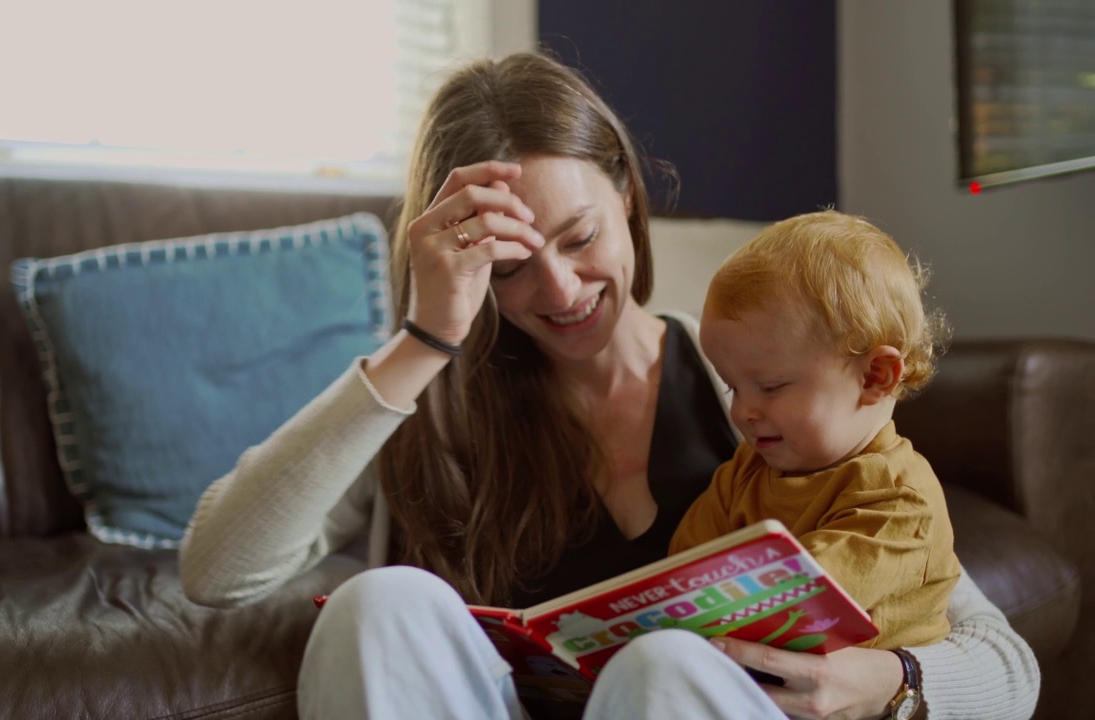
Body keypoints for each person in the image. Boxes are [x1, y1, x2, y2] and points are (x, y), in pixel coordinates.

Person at [178, 52, 1039, 720]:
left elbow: (1009, 667)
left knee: (666, 664)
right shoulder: (431, 409)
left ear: (627, 196)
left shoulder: (759, 398)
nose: (558, 291)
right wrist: (423, 340)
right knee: (377, 605)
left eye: (580, 235)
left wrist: (885, 679)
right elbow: (219, 569)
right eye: (511, 268)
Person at [669, 210, 960, 652]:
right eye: (731, 386)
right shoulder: (747, 470)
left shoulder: (899, 500)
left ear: (874, 377)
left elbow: (798, 600)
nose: (743, 410)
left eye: (770, 387)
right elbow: (682, 570)